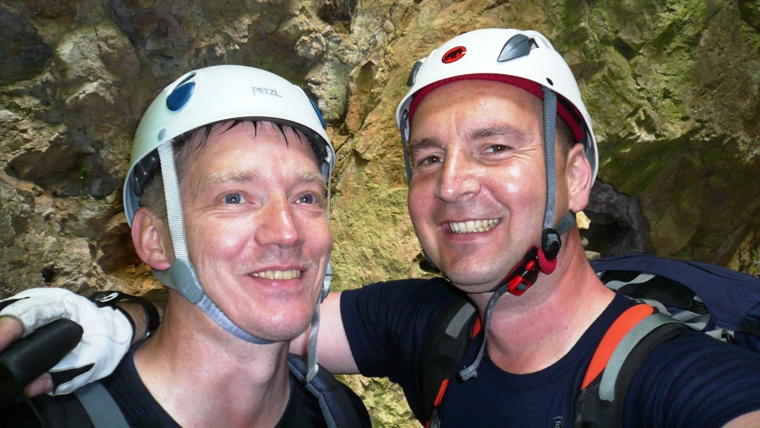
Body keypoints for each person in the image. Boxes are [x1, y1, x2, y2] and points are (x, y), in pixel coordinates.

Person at [3, 28, 760, 427]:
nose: (455, 182)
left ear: (580, 176)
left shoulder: (674, 376)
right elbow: (255, 318)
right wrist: (109, 320)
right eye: (429, 157)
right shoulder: (430, 330)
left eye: (496, 147)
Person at [0, 64, 370, 427]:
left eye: (306, 198)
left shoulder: (337, 413)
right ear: (155, 239)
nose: (287, 232)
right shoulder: (46, 419)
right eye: (234, 198)